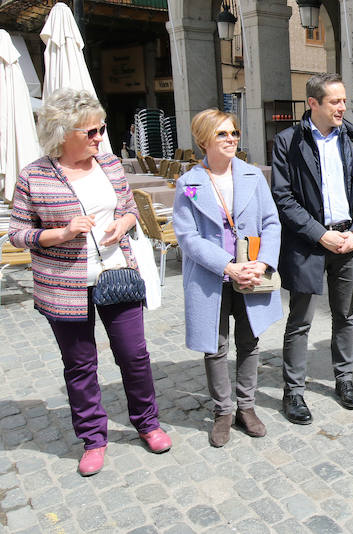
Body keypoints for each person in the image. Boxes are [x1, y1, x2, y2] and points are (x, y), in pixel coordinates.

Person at [8, 88, 171, 476]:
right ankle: (93, 439)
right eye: (91, 132)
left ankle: (147, 423)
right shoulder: (34, 175)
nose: (99, 137)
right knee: (80, 365)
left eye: (101, 129)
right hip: (63, 284)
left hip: (117, 273)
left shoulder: (111, 165)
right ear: (63, 133)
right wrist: (60, 234)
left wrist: (123, 223)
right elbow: (16, 234)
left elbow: (130, 208)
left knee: (134, 356)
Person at [173, 109, 283, 447]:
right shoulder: (188, 183)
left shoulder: (252, 176)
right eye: (222, 134)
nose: (231, 138)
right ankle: (223, 410)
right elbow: (187, 237)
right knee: (216, 346)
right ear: (204, 139)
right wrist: (226, 265)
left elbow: (272, 223)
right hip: (213, 276)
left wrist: (263, 264)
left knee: (249, 342)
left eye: (233, 132)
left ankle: (246, 407)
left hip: (250, 273)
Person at [272, 73, 353, 423]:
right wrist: (320, 234)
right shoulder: (288, 141)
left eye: (344, 100)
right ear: (313, 104)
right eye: (335, 101)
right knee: (300, 320)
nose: (343, 107)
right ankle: (294, 392)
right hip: (309, 244)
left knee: (345, 316)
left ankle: (344, 379)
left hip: (348, 242)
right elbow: (283, 199)